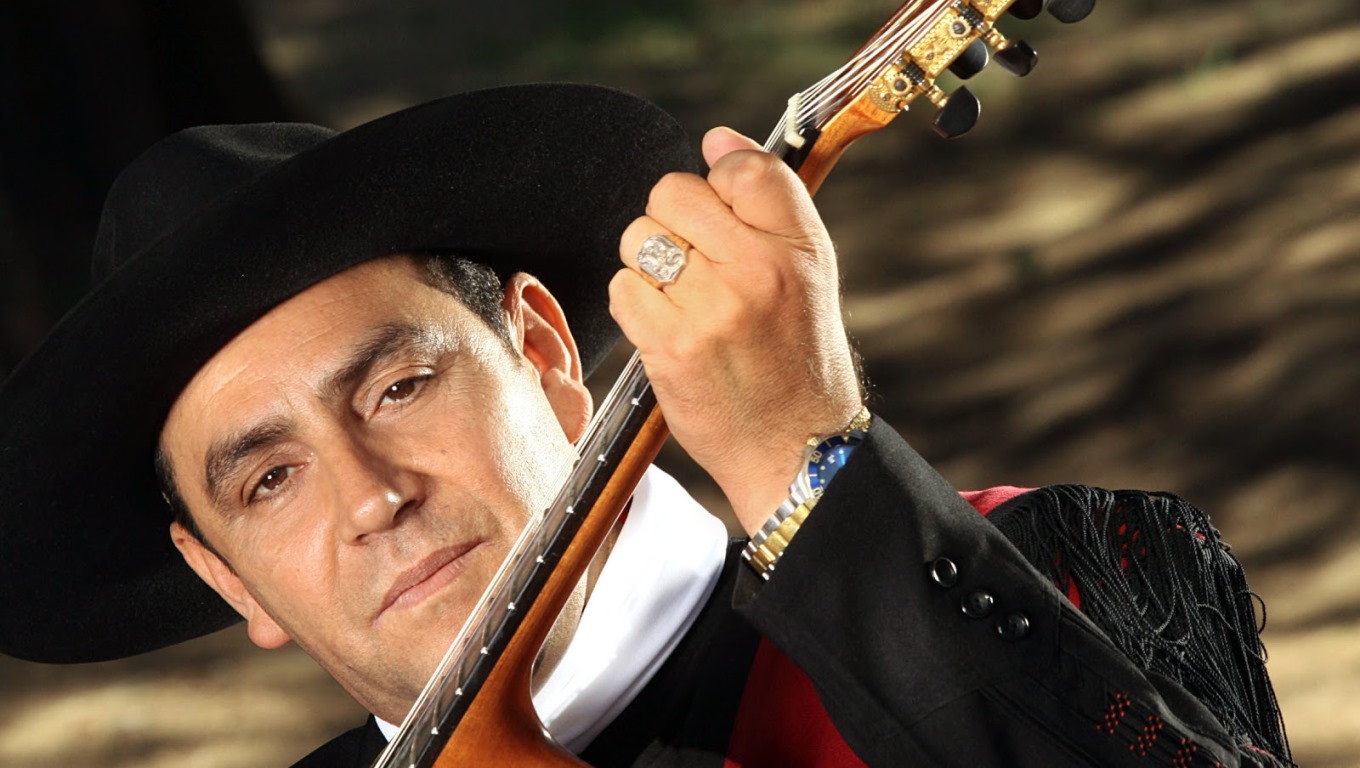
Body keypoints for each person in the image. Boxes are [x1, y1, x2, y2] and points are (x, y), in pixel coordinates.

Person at [0, 84, 1292, 767]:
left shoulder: (1049, 582)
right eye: (268, 479)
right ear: (228, 577)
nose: (372, 495)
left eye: (398, 388)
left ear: (547, 356)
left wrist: (801, 460)